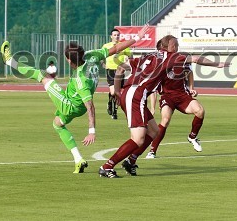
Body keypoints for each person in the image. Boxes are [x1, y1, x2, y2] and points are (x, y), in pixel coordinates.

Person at [0, 25, 148, 173]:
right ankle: (78, 160)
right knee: (57, 124)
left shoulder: (80, 79)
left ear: (70, 61)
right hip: (75, 100)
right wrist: (137, 38)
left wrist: (92, 131)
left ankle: (10, 61)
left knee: (42, 75)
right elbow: (116, 48)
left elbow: (90, 106)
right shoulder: (92, 55)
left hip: (70, 104)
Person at [98, 35, 229, 178]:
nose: (177, 47)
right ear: (168, 47)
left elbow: (120, 68)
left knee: (154, 131)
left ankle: (131, 161)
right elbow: (196, 59)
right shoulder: (171, 57)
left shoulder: (147, 55)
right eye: (175, 44)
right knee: (138, 138)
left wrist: (117, 91)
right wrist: (218, 64)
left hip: (132, 93)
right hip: (136, 95)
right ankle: (107, 166)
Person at [144, 39, 230, 159]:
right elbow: (152, 88)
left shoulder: (181, 57)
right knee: (165, 120)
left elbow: (189, 72)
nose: (177, 47)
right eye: (175, 45)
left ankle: (192, 137)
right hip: (167, 96)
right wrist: (152, 107)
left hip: (182, 95)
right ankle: (152, 151)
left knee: (200, 111)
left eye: (176, 45)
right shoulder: (159, 61)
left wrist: (191, 88)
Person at [101, 28, 132, 119]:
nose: (116, 36)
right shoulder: (106, 46)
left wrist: (127, 59)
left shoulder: (124, 45)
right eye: (114, 35)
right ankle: (110, 103)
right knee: (113, 92)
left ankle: (114, 111)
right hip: (110, 70)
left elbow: (130, 56)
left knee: (118, 92)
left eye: (118, 35)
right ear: (111, 36)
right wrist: (103, 64)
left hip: (120, 70)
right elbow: (101, 56)